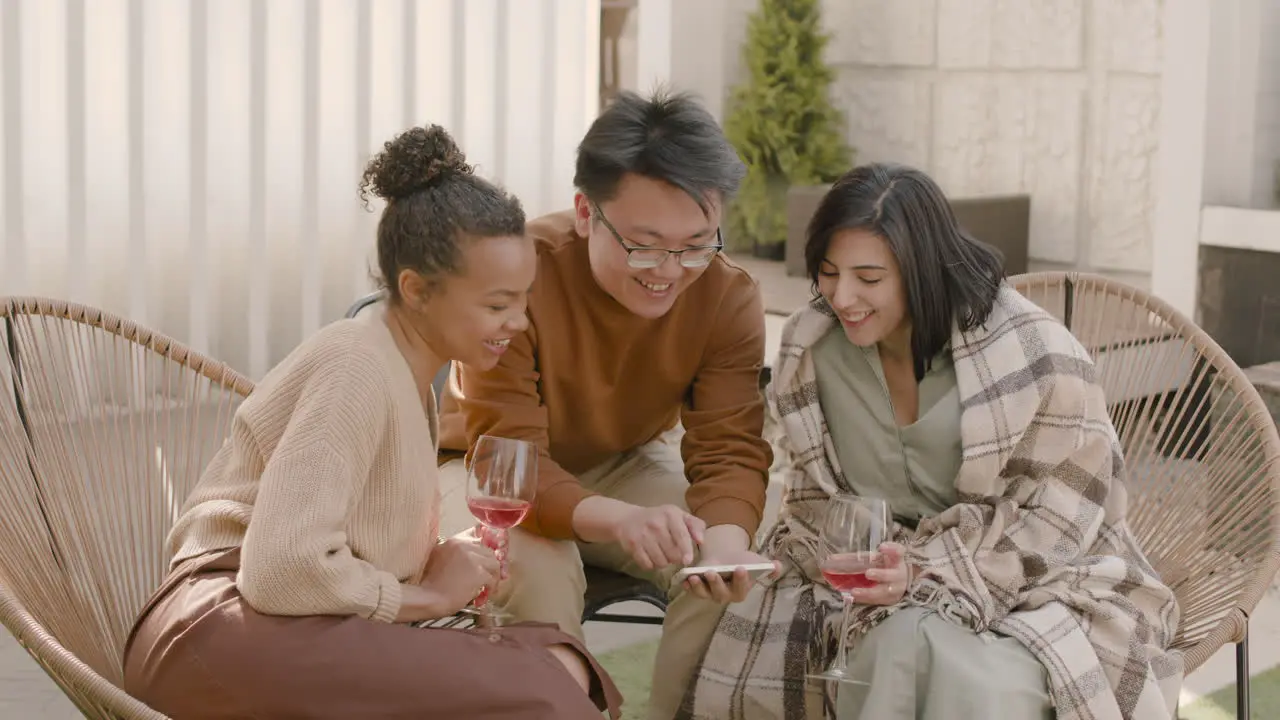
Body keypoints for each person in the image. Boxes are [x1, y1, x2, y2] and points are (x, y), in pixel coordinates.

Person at [121, 125, 622, 720]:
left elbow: (350, 534)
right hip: (219, 631)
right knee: (540, 691)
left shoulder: (410, 371)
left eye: (523, 299)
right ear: (415, 290)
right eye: (496, 304)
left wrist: (438, 561)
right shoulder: (355, 363)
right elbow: (280, 570)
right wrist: (426, 595)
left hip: (287, 625)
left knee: (561, 664)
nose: (518, 322)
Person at [677, 163, 1184, 720]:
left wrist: (927, 573)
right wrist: (854, 560)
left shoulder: (1034, 354)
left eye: (869, 279)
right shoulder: (811, 348)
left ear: (922, 271)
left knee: (923, 655)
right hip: (875, 588)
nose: (842, 297)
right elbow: (813, 498)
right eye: (827, 272)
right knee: (878, 642)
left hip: (1026, 577)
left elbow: (1063, 516)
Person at [437, 88, 774, 719]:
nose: (669, 270)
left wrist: (726, 541)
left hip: (622, 462)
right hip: (484, 473)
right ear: (586, 211)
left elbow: (730, 445)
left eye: (697, 243)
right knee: (539, 573)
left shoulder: (727, 296)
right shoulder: (521, 272)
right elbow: (506, 457)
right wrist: (614, 520)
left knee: (735, 556)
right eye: (644, 244)